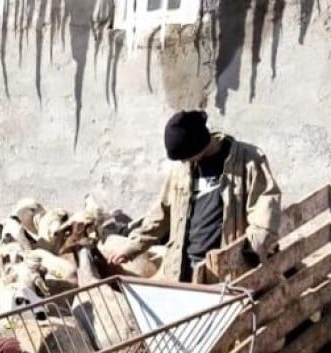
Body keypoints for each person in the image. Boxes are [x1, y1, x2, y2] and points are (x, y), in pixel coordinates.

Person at [110, 109, 281, 283]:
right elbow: (161, 214)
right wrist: (132, 247)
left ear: (200, 143)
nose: (184, 162)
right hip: (182, 270)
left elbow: (264, 210)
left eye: (186, 157)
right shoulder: (182, 170)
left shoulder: (247, 161)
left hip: (224, 272)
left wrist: (251, 250)